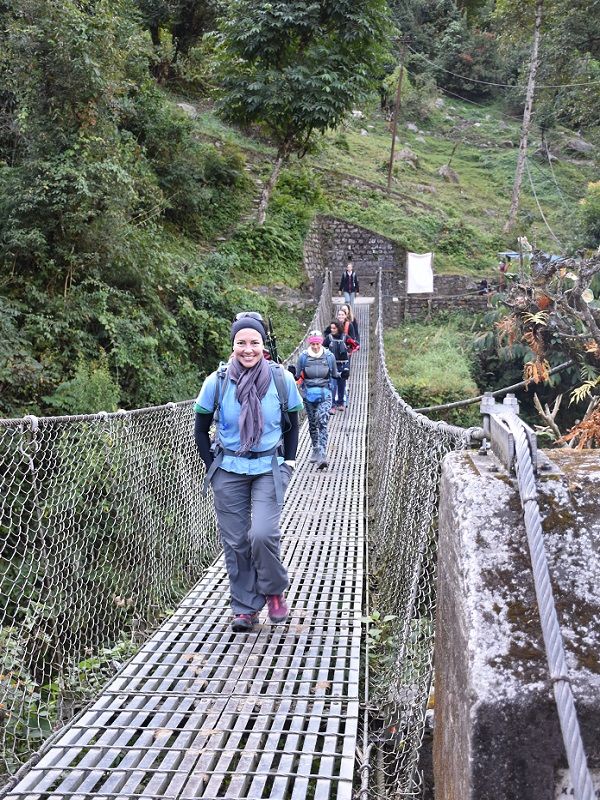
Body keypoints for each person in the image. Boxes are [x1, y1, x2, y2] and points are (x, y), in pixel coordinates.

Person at [194, 313, 303, 633]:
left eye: (254, 342)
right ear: (232, 346)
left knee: (262, 534)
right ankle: (245, 607)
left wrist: (291, 461)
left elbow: (293, 422)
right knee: (237, 541)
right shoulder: (217, 381)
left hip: (269, 465)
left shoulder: (280, 379)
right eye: (241, 342)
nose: (248, 349)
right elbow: (201, 429)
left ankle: (273, 590)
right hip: (228, 468)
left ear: (263, 345)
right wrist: (209, 466)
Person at [295, 330, 339, 470]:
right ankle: (315, 447)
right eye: (313, 344)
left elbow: (334, 373)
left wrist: (343, 374)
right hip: (308, 393)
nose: (315, 346)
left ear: (321, 343)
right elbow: (298, 374)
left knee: (323, 420)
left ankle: (322, 454)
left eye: (317, 344)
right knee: (313, 422)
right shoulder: (303, 357)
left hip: (325, 392)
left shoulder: (329, 356)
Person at [323, 321, 357, 413]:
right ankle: (332, 405)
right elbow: (323, 348)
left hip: (343, 364)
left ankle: (341, 403)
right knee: (332, 385)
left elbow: (355, 345)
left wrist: (349, 350)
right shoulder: (328, 338)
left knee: (342, 384)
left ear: (338, 328)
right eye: (331, 328)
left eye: (334, 328)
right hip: (332, 365)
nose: (332, 330)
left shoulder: (345, 337)